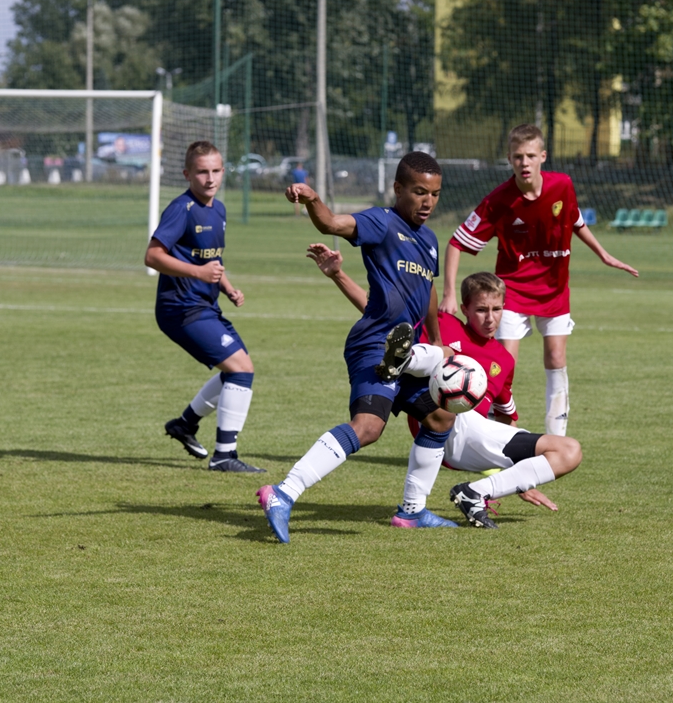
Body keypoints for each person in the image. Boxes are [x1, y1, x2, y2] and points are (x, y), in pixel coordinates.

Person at [257, 152, 459, 543]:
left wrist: (436, 339)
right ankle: (283, 492)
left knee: (439, 419)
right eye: (419, 192)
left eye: (435, 194)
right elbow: (333, 223)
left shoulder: (430, 240)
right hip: (375, 343)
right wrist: (313, 199)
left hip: (407, 349)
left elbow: (429, 290)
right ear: (398, 188)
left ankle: (412, 512)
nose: (428, 202)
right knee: (368, 427)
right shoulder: (381, 222)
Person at [308, 244, 583, 528]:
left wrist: (521, 475)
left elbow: (505, 416)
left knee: (568, 451)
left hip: (471, 437)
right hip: (442, 421)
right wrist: (338, 275)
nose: (490, 318)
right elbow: (378, 313)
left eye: (497, 309)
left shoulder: (504, 359)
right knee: (443, 353)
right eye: (481, 310)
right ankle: (407, 361)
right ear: (465, 309)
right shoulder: (443, 325)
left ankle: (475, 492)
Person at [441, 123, 640, 437]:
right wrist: (449, 293)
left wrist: (603, 254)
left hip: (554, 290)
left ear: (543, 156)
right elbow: (456, 243)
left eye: (530, 155)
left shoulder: (562, 185)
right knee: (503, 366)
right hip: (512, 291)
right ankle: (490, 437)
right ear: (509, 158)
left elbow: (575, 220)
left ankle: (556, 438)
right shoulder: (498, 201)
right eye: (518, 156)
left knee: (557, 357)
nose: (524, 162)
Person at [145, 141, 262, 473]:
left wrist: (227, 287)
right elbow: (152, 256)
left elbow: (211, 260)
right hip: (180, 308)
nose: (210, 178)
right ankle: (225, 455)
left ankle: (184, 425)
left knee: (237, 370)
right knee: (241, 369)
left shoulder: (219, 210)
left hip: (204, 305)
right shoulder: (181, 209)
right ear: (187, 174)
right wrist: (198, 274)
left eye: (215, 171)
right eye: (201, 172)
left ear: (223, 171)